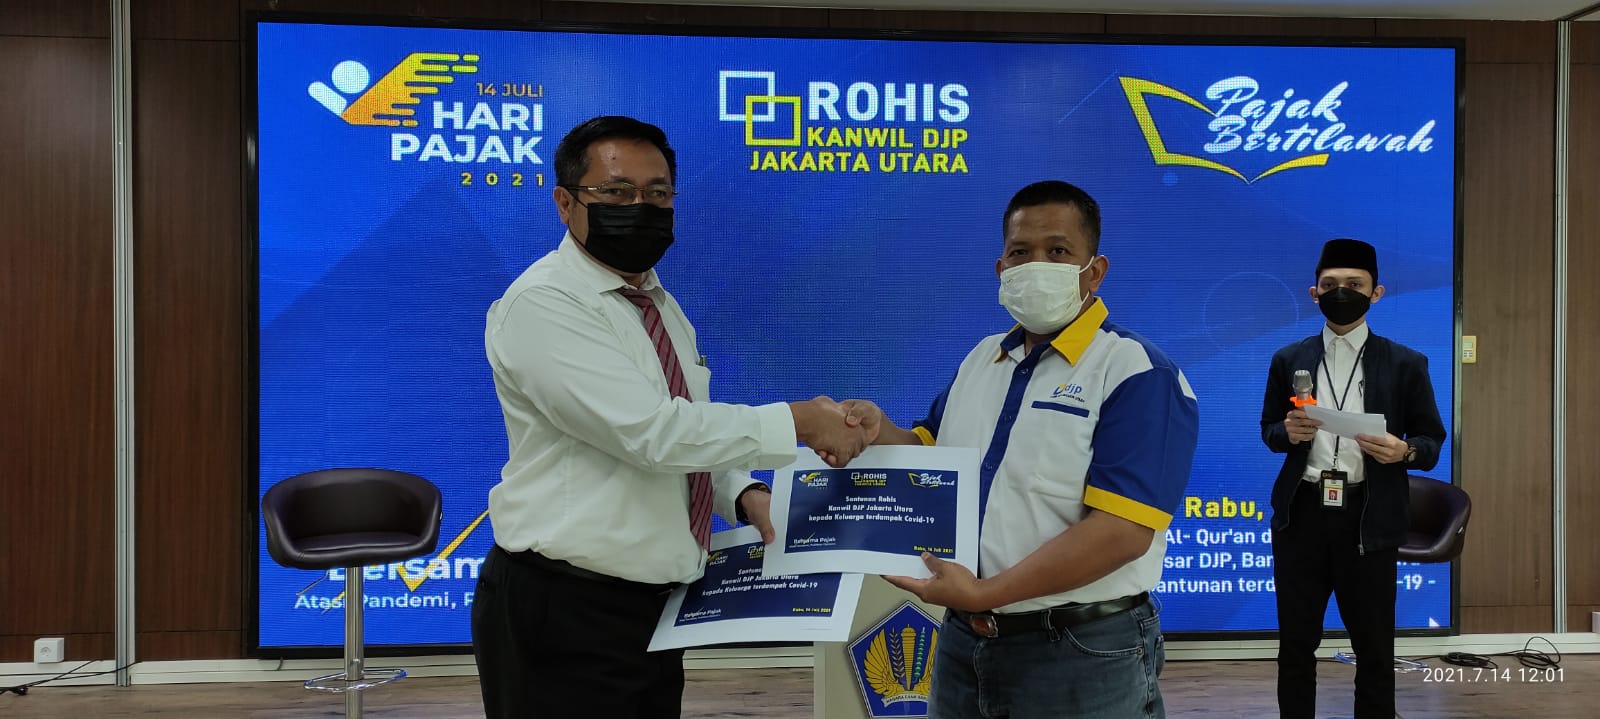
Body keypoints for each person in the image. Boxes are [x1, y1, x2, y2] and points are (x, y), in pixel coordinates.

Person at [472, 115, 868, 718]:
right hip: (567, 607)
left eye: (657, 193)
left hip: (649, 612)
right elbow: (651, 433)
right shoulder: (544, 303)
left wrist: (743, 494)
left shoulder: (656, 303)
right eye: (616, 192)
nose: (640, 207)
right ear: (565, 203)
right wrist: (801, 421)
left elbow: (690, 427)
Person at [836, 181, 1199, 719]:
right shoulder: (983, 358)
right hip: (965, 644)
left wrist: (985, 593)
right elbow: (931, 457)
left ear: (1094, 272)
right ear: (1001, 268)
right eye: (1020, 252)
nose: (1036, 266)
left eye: (1058, 251)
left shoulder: (1135, 372)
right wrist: (878, 430)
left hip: (1082, 652)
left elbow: (1123, 531)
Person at [1260, 238, 1446, 719]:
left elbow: (1431, 442)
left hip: (1369, 517)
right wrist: (1288, 432)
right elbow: (1269, 432)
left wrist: (1405, 451)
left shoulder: (1406, 363)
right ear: (1314, 293)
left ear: (1376, 293)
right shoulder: (1288, 359)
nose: (1341, 292)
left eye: (1354, 284)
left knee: (1374, 645)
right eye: (1330, 285)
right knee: (1296, 642)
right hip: (1301, 516)